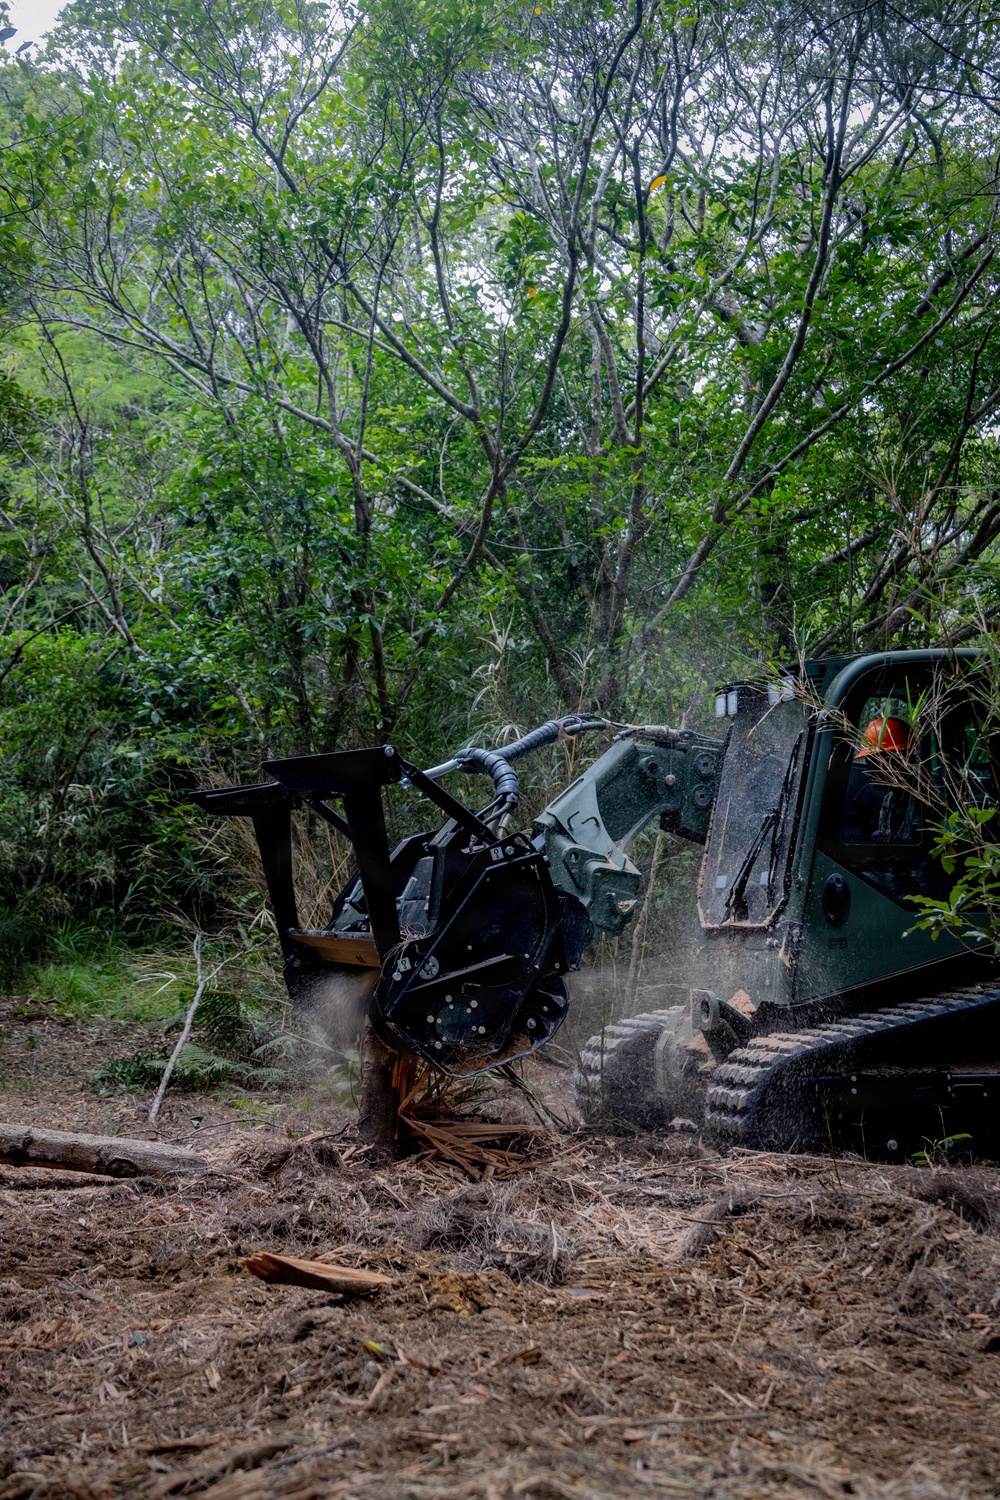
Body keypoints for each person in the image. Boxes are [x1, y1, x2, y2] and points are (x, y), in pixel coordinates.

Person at [841, 715, 917, 843]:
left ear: (893, 761)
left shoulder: (924, 800)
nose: (869, 771)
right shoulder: (890, 798)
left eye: (872, 763)